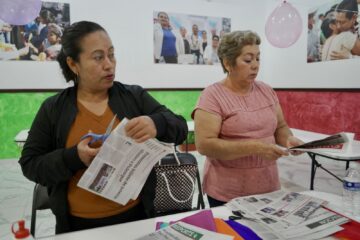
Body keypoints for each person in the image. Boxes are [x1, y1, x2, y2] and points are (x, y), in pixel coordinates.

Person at [19, 21, 188, 234]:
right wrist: (74, 157)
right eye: (98, 57)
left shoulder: (133, 97)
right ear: (73, 64)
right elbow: (30, 164)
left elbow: (180, 126)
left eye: (112, 55)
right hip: (77, 227)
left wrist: (157, 123)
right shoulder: (54, 109)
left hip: (136, 220)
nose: (109, 64)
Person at [192, 30, 303, 207]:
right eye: (248, 60)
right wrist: (255, 148)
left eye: (258, 58)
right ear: (228, 63)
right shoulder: (212, 96)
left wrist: (289, 140)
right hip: (228, 193)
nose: (256, 65)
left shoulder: (266, 90)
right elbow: (205, 145)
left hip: (268, 187)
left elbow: (280, 127)